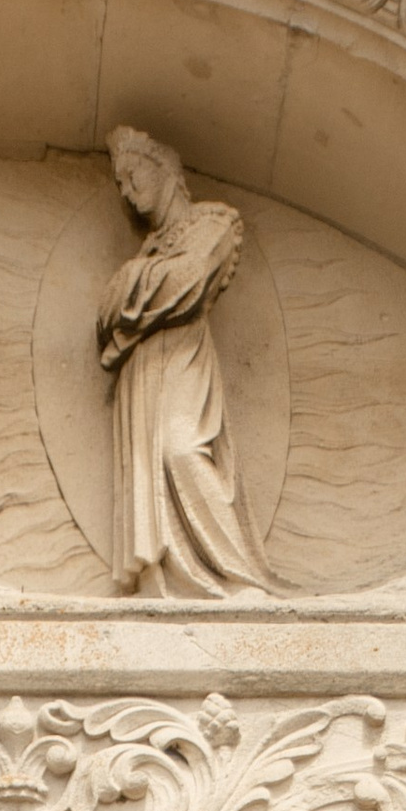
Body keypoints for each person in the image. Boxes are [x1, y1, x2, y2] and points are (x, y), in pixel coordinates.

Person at [95, 123, 272, 598]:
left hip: (181, 360)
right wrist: (139, 283)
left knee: (182, 450)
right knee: (150, 470)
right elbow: (105, 315)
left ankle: (237, 576)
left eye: (134, 176)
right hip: (142, 372)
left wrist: (132, 283)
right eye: (120, 184)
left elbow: (187, 284)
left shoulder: (214, 224)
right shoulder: (151, 249)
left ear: (164, 171)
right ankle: (166, 580)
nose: (127, 193)